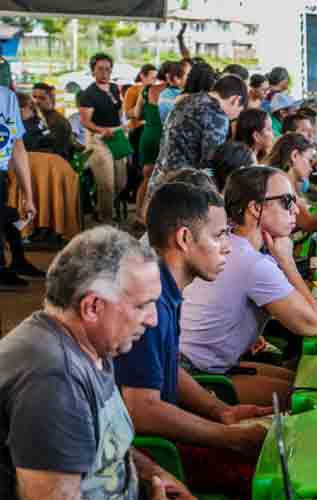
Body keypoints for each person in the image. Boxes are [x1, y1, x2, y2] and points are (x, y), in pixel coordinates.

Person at [0, 226, 194, 499]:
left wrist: (154, 474)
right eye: (141, 305)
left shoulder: (92, 345)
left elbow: (102, 444)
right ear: (92, 307)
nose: (153, 319)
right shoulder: (55, 380)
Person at [115, 181, 271, 497]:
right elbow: (140, 408)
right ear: (184, 239)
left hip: (169, 439)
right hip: (153, 456)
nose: (228, 246)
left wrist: (220, 411)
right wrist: (228, 437)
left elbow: (167, 367)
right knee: (275, 472)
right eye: (219, 236)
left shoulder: (166, 288)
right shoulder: (150, 302)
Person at [180, 166, 317, 405]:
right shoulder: (252, 263)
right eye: (287, 201)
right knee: (307, 396)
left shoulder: (233, 245)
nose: (295, 210)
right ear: (255, 208)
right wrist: (286, 261)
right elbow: (311, 324)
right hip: (195, 377)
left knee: (303, 378)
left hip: (196, 364)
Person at [147, 74, 246, 207]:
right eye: (238, 111)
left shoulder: (187, 100)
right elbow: (212, 161)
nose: (234, 118)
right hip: (184, 190)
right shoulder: (217, 115)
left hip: (160, 179)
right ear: (236, 100)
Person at [79, 53, 129, 224]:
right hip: (98, 138)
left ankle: (99, 208)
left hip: (117, 136)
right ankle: (106, 219)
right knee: (106, 184)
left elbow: (118, 110)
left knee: (121, 183)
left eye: (108, 69)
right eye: (100, 69)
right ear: (93, 71)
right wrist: (102, 130)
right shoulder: (88, 94)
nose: (105, 73)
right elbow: (85, 121)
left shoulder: (115, 88)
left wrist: (123, 126)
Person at [134, 62, 180, 226]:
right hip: (166, 137)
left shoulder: (146, 90)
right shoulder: (177, 93)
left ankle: (139, 214)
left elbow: (136, 113)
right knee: (166, 179)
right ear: (171, 76)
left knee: (146, 178)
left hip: (148, 135)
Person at [0, 86, 37, 289]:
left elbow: (17, 146)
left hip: (1, 174)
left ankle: (16, 261)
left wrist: (28, 196)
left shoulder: (7, 97)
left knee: (9, 215)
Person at [31, 82, 77, 161]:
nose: (37, 101)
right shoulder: (37, 117)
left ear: (51, 99)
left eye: (42, 98)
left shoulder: (57, 121)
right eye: (34, 97)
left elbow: (53, 149)